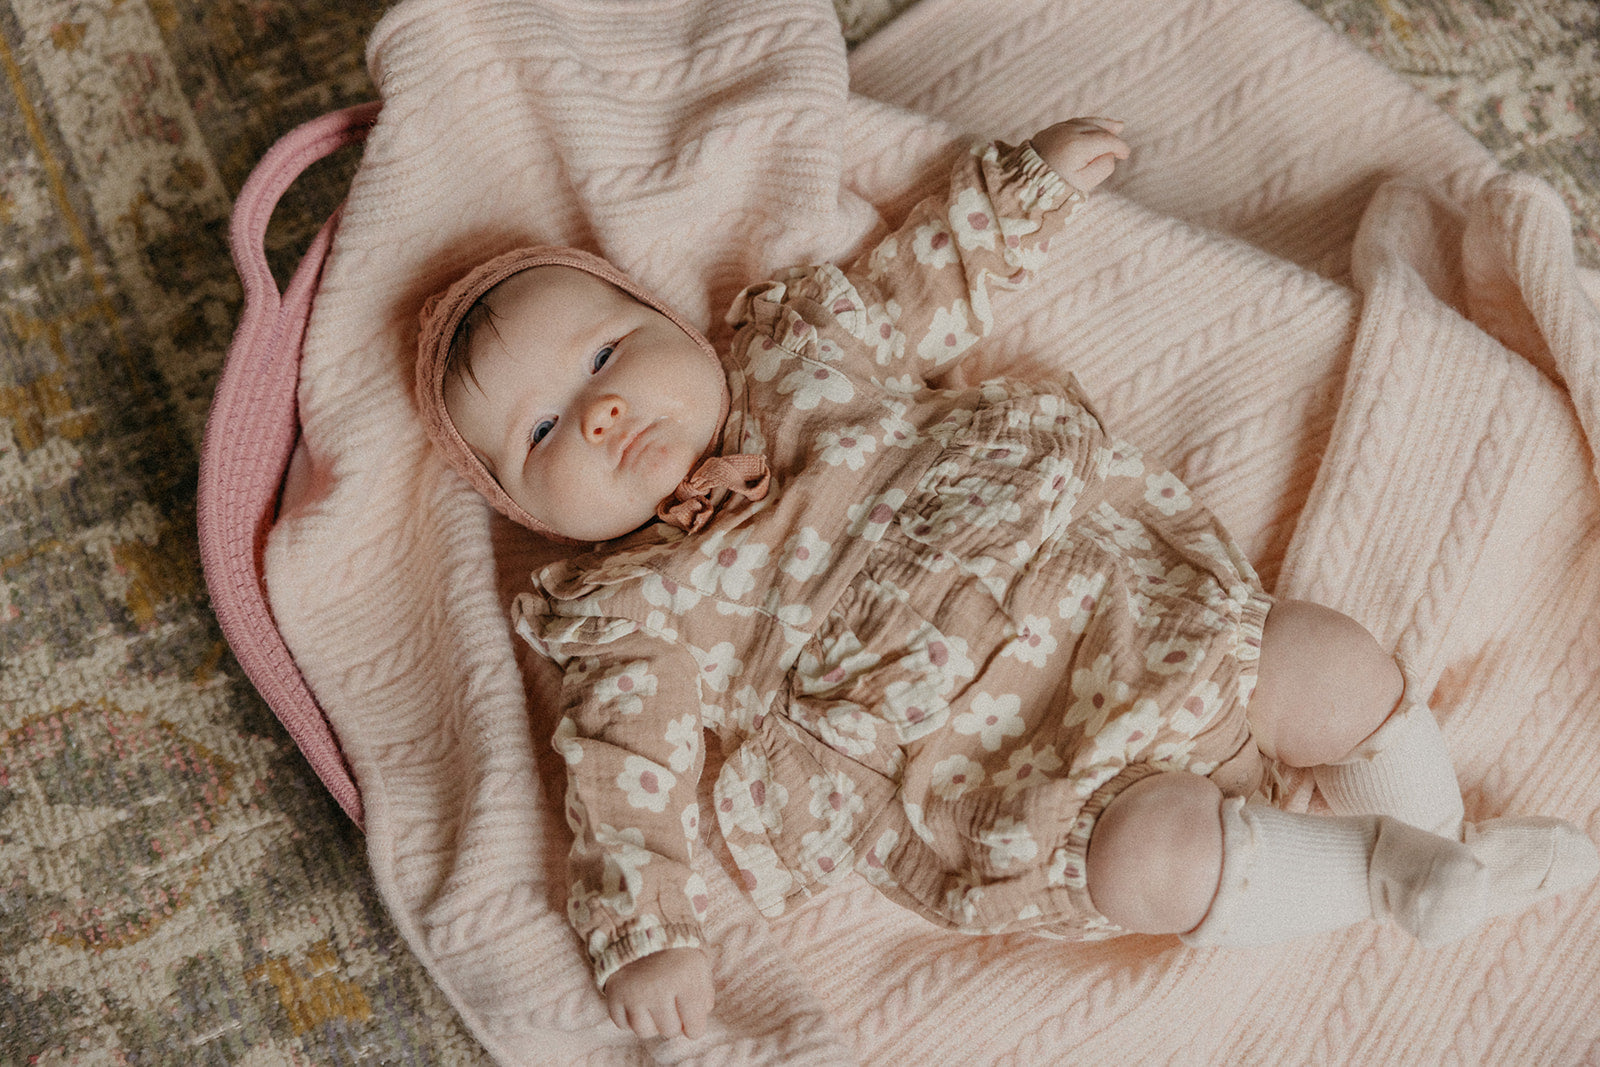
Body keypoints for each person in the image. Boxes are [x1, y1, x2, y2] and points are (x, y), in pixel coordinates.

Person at [414, 118, 1598, 1042]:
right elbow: (623, 781)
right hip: (1014, 782)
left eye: (606, 352)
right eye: (543, 430)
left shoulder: (795, 355)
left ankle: (1442, 837)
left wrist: (1019, 193)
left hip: (1136, 626)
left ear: (669, 321)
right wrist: (646, 931)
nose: (602, 410)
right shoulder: (635, 615)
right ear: (532, 516)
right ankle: (1388, 876)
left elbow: (916, 287)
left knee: (1326, 658)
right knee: (1150, 862)